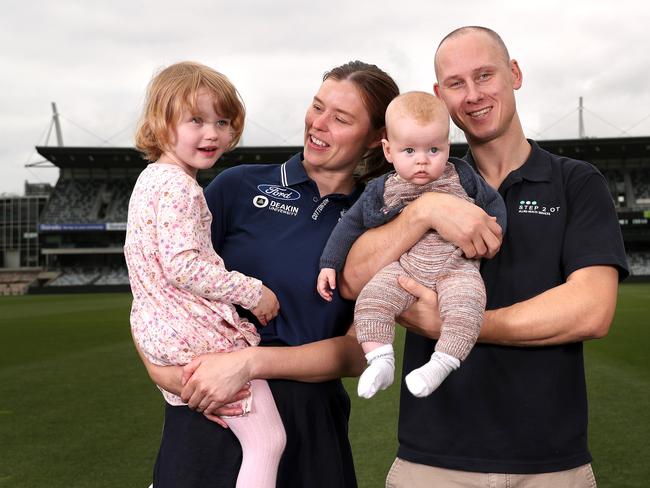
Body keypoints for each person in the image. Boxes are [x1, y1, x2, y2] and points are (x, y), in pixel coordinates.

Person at [340, 27, 629, 487]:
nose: (472, 95)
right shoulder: (411, 182)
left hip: (552, 466)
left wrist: (457, 324)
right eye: (456, 84)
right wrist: (425, 211)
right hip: (430, 463)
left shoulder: (576, 181)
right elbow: (353, 280)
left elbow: (591, 311)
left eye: (484, 75)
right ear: (439, 96)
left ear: (513, 74)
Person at [134, 60, 400, 488]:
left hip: (311, 424)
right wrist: (164, 373)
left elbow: (357, 352)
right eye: (317, 107)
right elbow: (155, 284)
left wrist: (251, 362)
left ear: (376, 138)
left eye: (341, 118)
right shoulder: (236, 186)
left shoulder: (377, 222)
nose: (319, 124)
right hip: (212, 410)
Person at [126, 61, 287, 488]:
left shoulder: (149, 180)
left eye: (222, 121)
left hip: (159, 333)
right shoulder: (180, 187)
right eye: (195, 120)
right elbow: (182, 265)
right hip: (196, 335)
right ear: (161, 125)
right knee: (267, 441)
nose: (212, 133)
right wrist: (253, 292)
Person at [317, 91, 506, 399]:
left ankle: (443, 362)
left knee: (468, 305)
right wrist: (330, 263)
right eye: (409, 151)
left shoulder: (463, 176)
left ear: (447, 147)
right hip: (403, 269)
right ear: (388, 151)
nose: (422, 159)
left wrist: (495, 236)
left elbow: (492, 204)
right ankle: (380, 360)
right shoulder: (381, 188)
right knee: (370, 301)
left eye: (433, 149)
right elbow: (350, 224)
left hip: (455, 267)